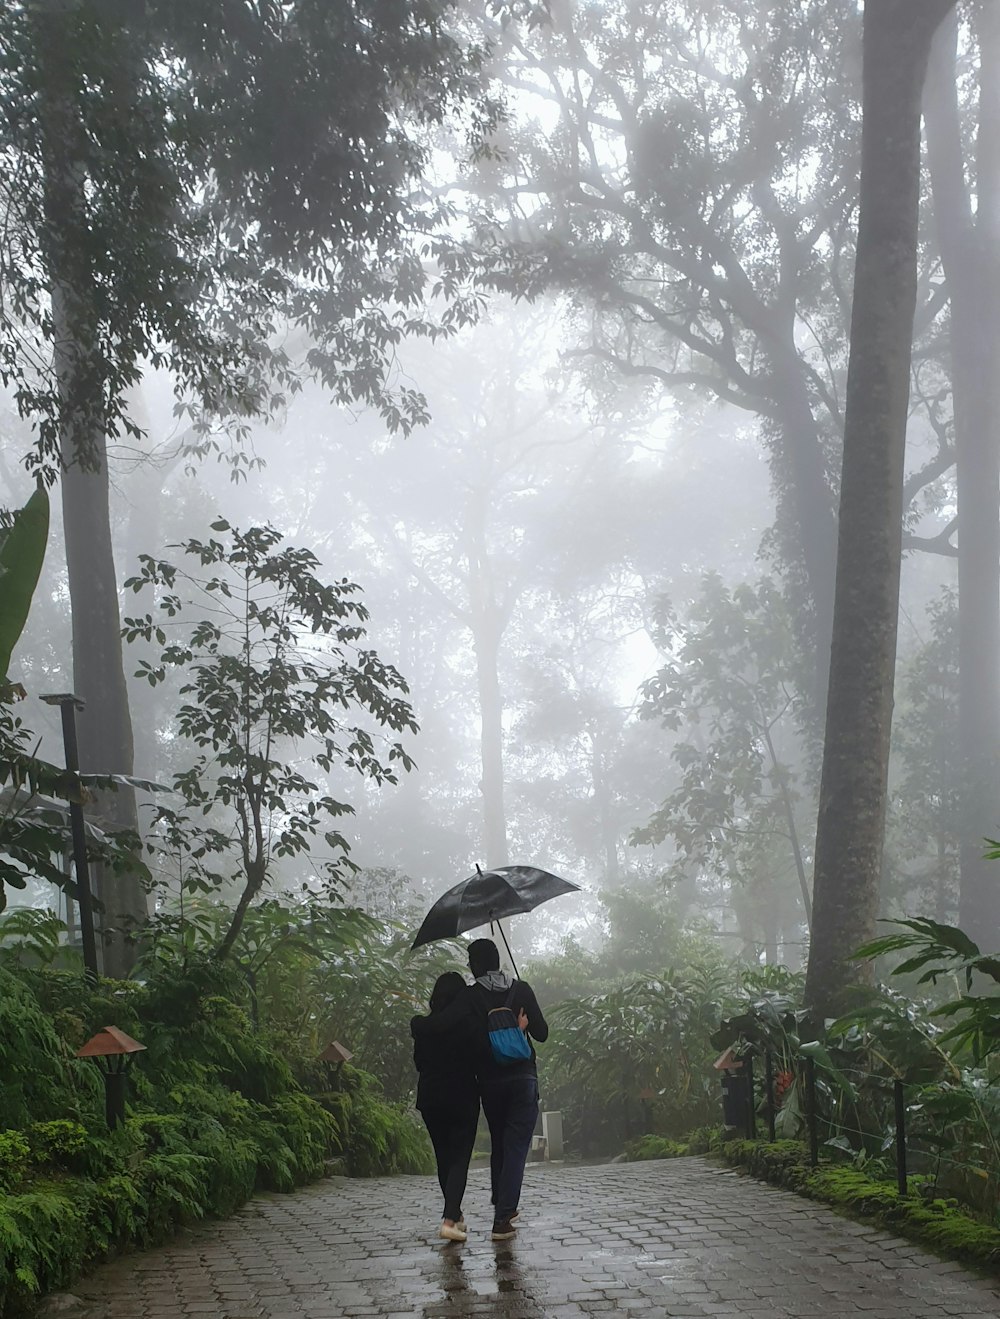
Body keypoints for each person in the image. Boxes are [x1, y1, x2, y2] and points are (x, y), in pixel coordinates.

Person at [411, 938, 548, 1242]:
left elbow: (441, 1024)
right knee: (514, 1147)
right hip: (523, 1077)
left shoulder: (471, 996)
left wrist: (417, 1023)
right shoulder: (521, 989)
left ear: (473, 965)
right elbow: (543, 1033)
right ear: (499, 960)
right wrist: (520, 1026)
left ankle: (502, 1205)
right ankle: (502, 1217)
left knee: (501, 1142)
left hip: (490, 1082)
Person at [411, 971, 481, 1243]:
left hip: (431, 1097)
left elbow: (419, 1063)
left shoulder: (422, 1027)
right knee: (460, 1158)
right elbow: (479, 1058)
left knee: (444, 1158)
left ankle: (457, 1215)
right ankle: (449, 1220)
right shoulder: (468, 1025)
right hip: (462, 1095)